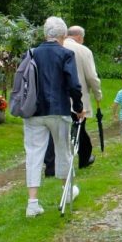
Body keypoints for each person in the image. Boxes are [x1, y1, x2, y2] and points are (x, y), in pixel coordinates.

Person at [24, 16, 83, 218]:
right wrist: (79, 107)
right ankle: (67, 194)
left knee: (33, 154)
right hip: (59, 110)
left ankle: (32, 203)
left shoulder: (31, 54)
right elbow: (74, 85)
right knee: (63, 151)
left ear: (44, 34)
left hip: (33, 111)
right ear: (63, 35)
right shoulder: (66, 54)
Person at [64, 26, 103, 168]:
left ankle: (55, 163)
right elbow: (92, 77)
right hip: (77, 98)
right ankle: (84, 158)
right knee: (79, 127)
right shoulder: (83, 50)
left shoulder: (58, 46)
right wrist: (98, 94)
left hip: (57, 98)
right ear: (80, 37)